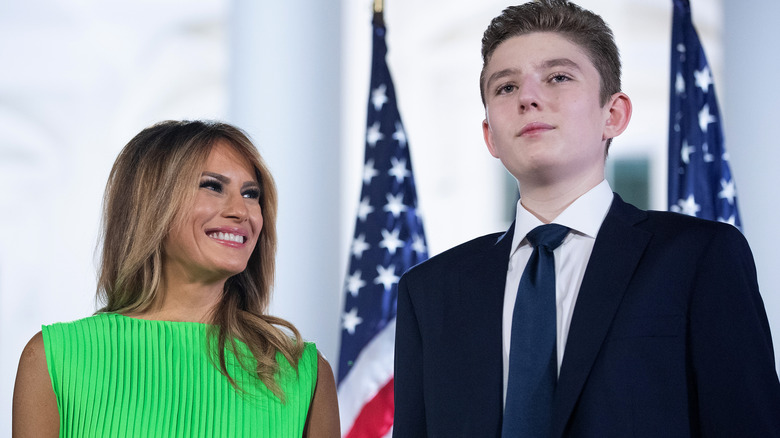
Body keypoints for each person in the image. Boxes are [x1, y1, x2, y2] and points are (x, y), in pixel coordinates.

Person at [393, 1, 780, 437]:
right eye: (505, 87)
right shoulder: (428, 292)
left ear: (612, 115)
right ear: (490, 136)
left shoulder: (698, 257)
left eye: (558, 77)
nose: (528, 97)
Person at [12, 120, 340, 437]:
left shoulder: (303, 373)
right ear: (151, 203)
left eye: (251, 194)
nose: (241, 211)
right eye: (213, 186)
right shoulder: (54, 360)